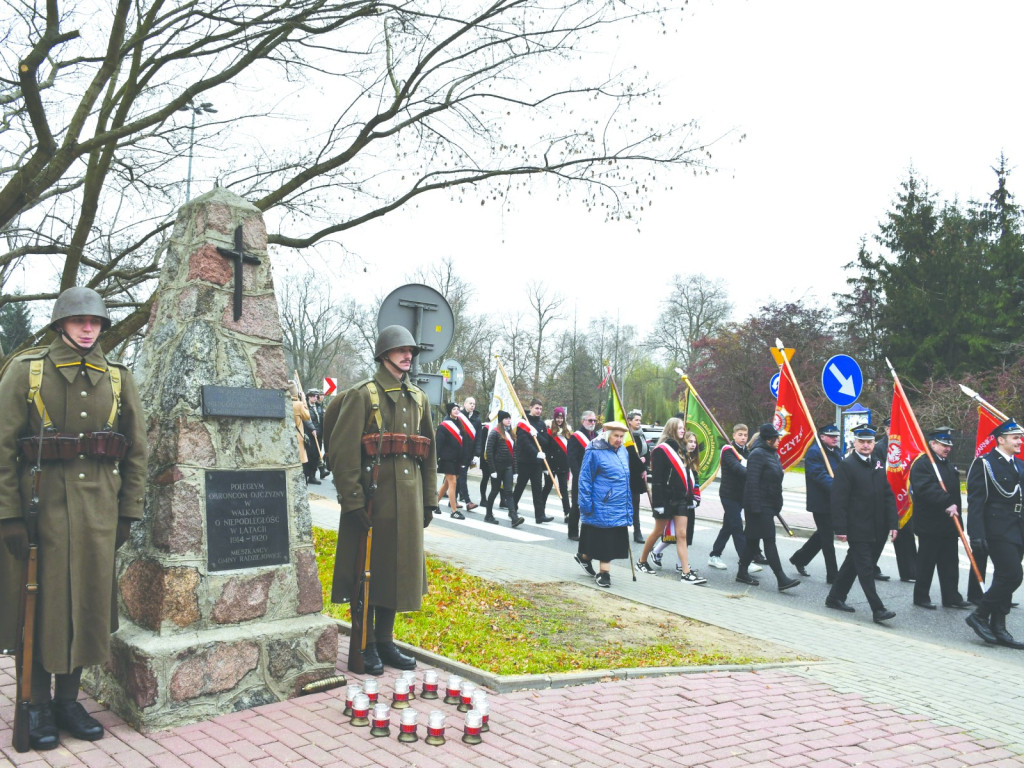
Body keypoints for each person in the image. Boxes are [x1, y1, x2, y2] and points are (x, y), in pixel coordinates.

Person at [0, 287, 148, 750]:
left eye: (96, 321)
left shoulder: (119, 378)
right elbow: (3, 449)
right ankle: (36, 703)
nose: (89, 328)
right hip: (39, 508)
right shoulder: (26, 371)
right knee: (40, 606)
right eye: (79, 320)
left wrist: (128, 511)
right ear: (61, 323)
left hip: (99, 511)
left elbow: (137, 452)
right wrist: (7, 516)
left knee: (87, 605)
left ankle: (68, 700)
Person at [324, 324, 437, 675]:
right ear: (384, 354)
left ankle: (385, 640)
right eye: (401, 350)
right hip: (373, 499)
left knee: (397, 571)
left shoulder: (418, 398)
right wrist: (353, 501)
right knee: (366, 572)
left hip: (408, 498)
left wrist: (429, 499)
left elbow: (429, 454)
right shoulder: (363, 395)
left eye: (412, 351)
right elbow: (342, 453)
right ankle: (365, 642)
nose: (408, 356)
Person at [825, 425, 899, 624]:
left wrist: (893, 523)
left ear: (874, 443)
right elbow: (838, 499)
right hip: (858, 527)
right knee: (866, 569)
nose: (866, 445)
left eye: (869, 442)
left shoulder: (877, 463)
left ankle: (834, 597)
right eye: (862, 442)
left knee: (853, 564)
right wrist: (840, 528)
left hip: (877, 527)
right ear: (855, 443)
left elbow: (887, 495)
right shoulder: (847, 466)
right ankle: (878, 609)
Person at [964, 419, 1024, 648]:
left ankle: (999, 627)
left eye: (1020, 437)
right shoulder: (985, 464)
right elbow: (976, 501)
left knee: (1003, 577)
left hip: (1018, 528)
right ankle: (979, 615)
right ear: (1001, 439)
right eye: (1015, 437)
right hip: (996, 528)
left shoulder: (1019, 465)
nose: (1020, 441)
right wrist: (976, 534)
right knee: (1013, 575)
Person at [636, 420, 707, 584]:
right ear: (672, 429)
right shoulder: (661, 450)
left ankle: (686, 573)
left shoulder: (681, 449)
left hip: (681, 499)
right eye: (680, 428)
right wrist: (658, 504)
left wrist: (690, 498)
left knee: (682, 535)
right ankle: (642, 561)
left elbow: (687, 476)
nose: (683, 430)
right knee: (658, 532)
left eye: (683, 428)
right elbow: (659, 479)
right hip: (666, 499)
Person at [909, 427, 971, 610]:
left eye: (949, 445)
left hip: (949, 523)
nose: (947, 448)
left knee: (950, 562)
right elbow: (925, 488)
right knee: (926, 562)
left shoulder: (947, 464)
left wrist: (956, 514)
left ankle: (951, 596)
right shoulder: (923, 464)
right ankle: (921, 597)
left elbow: (955, 493)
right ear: (933, 444)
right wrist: (946, 502)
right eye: (943, 445)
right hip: (930, 523)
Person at [736, 424, 800, 592]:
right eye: (776, 438)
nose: (779, 440)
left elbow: (775, 480)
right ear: (768, 439)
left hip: (768, 505)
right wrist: (756, 508)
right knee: (769, 540)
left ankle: (742, 572)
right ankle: (781, 578)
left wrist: (776, 504)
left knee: (752, 540)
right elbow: (752, 482)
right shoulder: (757, 454)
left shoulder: (772, 454)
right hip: (757, 506)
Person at [574, 421, 633, 588]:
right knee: (605, 542)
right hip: (602, 504)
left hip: (619, 504)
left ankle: (584, 557)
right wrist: (585, 504)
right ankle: (604, 574)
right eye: (616, 436)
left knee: (605, 541)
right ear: (607, 434)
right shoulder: (594, 451)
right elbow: (585, 479)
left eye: (622, 436)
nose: (619, 440)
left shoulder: (622, 451)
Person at [789, 424, 843, 583]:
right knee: (827, 539)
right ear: (822, 436)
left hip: (834, 500)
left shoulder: (836, 452)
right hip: (821, 503)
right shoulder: (815, 452)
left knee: (822, 535)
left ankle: (799, 558)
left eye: (836, 436)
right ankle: (833, 575)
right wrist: (837, 488)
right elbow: (819, 475)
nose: (835, 438)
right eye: (831, 436)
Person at [707, 423, 760, 573]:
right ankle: (746, 562)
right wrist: (754, 472)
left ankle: (714, 555)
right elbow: (738, 469)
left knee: (728, 527)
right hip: (728, 495)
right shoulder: (729, 451)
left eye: (745, 435)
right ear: (734, 435)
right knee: (737, 527)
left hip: (741, 495)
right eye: (740, 435)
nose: (743, 438)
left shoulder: (747, 451)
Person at [513, 398, 553, 523]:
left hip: (537, 463)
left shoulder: (541, 424)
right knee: (520, 486)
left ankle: (539, 515)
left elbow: (545, 441)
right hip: (525, 461)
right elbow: (524, 442)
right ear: (530, 408)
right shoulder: (524, 422)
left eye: (540, 409)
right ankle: (512, 509)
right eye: (536, 408)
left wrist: (536, 434)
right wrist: (536, 453)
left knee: (537, 489)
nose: (539, 411)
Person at [483, 410, 524, 527]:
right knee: (494, 491)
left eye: (509, 418)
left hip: (508, 467)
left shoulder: (511, 434)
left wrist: (515, 471)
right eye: (506, 418)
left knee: (508, 492)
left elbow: (514, 454)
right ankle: (488, 514)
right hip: (497, 467)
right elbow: (489, 452)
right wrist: (492, 470)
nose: (509, 420)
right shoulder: (494, 433)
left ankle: (514, 517)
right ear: (501, 420)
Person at [567, 410, 599, 541]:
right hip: (581, 475)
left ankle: (589, 532)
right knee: (577, 504)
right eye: (590, 420)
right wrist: (578, 474)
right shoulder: (576, 436)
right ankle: (573, 532)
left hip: (594, 476)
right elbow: (572, 458)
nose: (592, 423)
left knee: (591, 504)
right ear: (583, 421)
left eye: (594, 421)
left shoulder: (596, 436)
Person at [435, 402, 465, 519]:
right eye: (454, 409)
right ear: (449, 411)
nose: (456, 411)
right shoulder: (443, 426)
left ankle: (434, 503)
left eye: (458, 409)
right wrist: (436, 458)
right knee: (452, 482)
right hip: (447, 458)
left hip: (457, 458)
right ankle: (454, 511)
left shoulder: (460, 424)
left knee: (447, 483)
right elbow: (439, 443)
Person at [545, 406, 572, 523]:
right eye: (558, 417)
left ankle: (567, 513)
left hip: (563, 464)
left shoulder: (568, 431)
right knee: (546, 488)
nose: (559, 420)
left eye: (561, 418)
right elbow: (546, 447)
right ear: (554, 418)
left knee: (564, 490)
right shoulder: (549, 430)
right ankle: (540, 510)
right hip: (551, 464)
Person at [626, 409, 649, 543]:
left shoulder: (641, 435)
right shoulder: (626, 436)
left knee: (636, 505)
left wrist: (645, 466)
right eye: (636, 420)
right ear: (629, 421)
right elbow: (629, 455)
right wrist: (640, 464)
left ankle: (637, 532)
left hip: (637, 476)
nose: (639, 422)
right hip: (627, 474)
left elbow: (646, 453)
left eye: (640, 420)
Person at [455, 396, 481, 511]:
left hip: (469, 454)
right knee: (461, 476)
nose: (472, 405)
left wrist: (477, 454)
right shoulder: (458, 417)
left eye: (474, 404)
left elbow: (479, 439)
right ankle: (467, 501)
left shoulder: (477, 420)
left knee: (456, 477)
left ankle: (451, 499)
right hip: (458, 452)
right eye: (470, 403)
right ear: (464, 404)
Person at [290, 381, 313, 482]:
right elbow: (307, 416)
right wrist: (303, 399)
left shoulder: (283, 403)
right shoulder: (298, 405)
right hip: (298, 440)